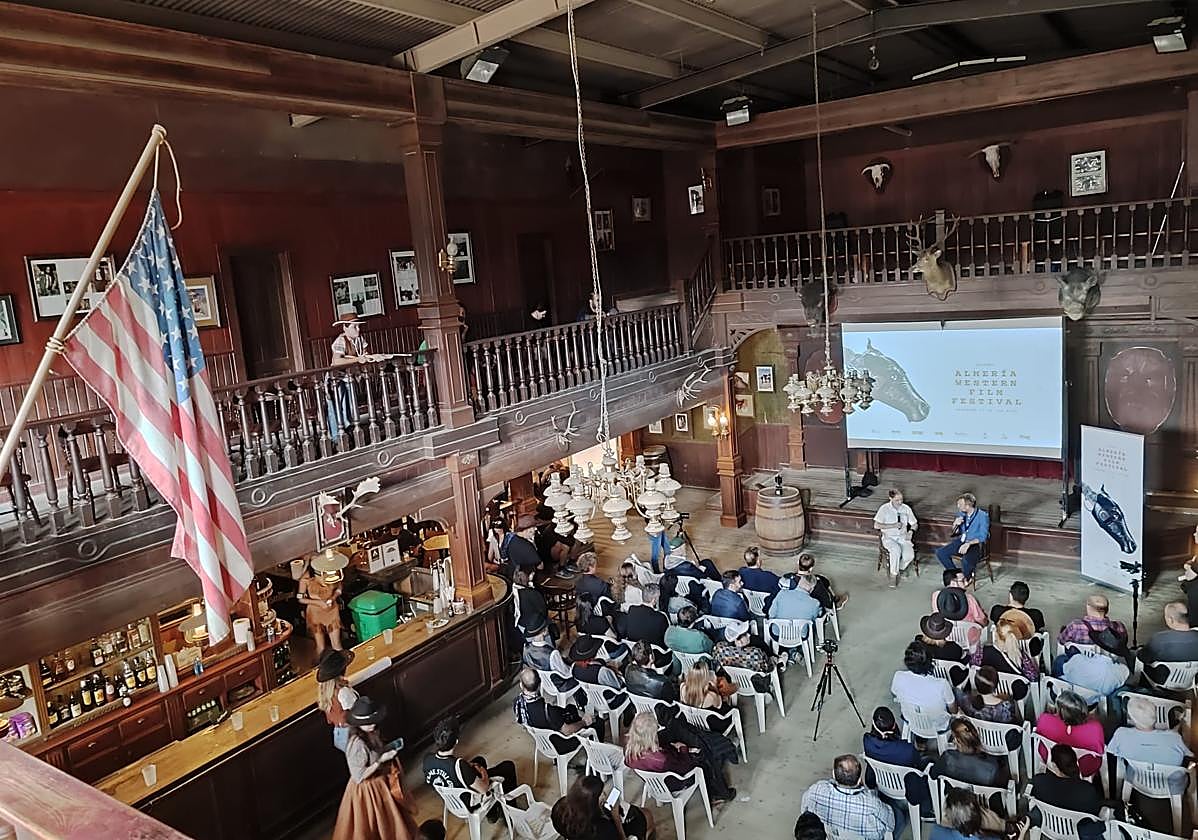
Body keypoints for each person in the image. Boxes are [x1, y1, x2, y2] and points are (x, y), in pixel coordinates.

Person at [332, 697, 417, 840]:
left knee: (389, 822)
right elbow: (359, 776)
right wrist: (380, 761)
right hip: (367, 790)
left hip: (379, 783)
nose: (372, 724)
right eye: (368, 723)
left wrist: (387, 750)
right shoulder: (357, 744)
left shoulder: (371, 733)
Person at [624, 710, 736, 804]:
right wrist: (683, 749)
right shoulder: (662, 759)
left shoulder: (629, 751)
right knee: (705, 757)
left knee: (673, 728)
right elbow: (685, 766)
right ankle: (720, 793)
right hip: (676, 781)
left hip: (655, 780)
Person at [422, 716, 518, 818]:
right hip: (468, 803)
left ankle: (492, 814)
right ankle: (511, 812)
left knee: (479, 760)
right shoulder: (459, 765)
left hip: (452, 801)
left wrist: (470, 767)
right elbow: (484, 788)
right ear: (456, 741)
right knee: (508, 766)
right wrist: (483, 771)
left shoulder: (427, 759)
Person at [1107, 695, 1193, 794]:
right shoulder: (1174, 737)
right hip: (1172, 784)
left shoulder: (1121, 734)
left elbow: (1111, 750)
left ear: (1132, 719)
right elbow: (1189, 755)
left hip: (1138, 779)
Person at [800, 754, 896, 840]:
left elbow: (804, 812)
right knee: (898, 812)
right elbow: (890, 824)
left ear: (833, 774)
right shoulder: (872, 804)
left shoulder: (816, 791)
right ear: (859, 780)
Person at [862, 706, 933, 817]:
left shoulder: (867, 741)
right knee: (930, 760)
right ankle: (925, 810)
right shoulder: (906, 749)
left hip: (883, 786)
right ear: (894, 726)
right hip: (906, 791)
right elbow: (918, 765)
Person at [1029, 744, 1106, 840]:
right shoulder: (1087, 789)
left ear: (1054, 765)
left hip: (1050, 829)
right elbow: (1095, 813)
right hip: (1079, 834)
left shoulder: (1039, 781)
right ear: (1076, 761)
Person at [512, 668, 604, 745]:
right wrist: (584, 722)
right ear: (539, 685)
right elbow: (567, 731)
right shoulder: (548, 711)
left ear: (521, 685)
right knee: (598, 722)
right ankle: (596, 752)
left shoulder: (517, 703)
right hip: (559, 744)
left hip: (543, 742)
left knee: (570, 708)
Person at [551, 773, 655, 840]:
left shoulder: (559, 808)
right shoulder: (602, 828)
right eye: (601, 794)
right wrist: (616, 818)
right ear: (592, 803)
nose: (605, 795)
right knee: (646, 815)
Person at [1035, 691, 1105, 779]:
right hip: (1084, 768)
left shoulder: (1045, 719)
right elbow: (1100, 751)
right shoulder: (1095, 728)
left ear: (1060, 710)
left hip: (1051, 760)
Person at [891, 640, 956, 732]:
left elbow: (895, 693)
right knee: (956, 693)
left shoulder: (898, 676)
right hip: (940, 726)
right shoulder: (942, 684)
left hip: (912, 722)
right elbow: (953, 710)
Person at [930, 718, 1009, 788]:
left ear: (956, 740)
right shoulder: (993, 767)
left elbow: (932, 775)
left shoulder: (947, 758)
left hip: (954, 796)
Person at [1138, 602, 1198, 685]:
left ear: (1171, 620)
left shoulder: (1159, 640)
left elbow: (1143, 658)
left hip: (1162, 682)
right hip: (1191, 683)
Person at [935, 493, 990, 583]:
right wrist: (955, 524)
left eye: (960, 504)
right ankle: (956, 574)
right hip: (962, 540)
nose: (958, 506)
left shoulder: (982, 516)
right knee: (941, 553)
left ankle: (966, 578)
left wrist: (968, 544)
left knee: (966, 561)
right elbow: (956, 532)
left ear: (968, 506)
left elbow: (983, 537)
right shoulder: (961, 514)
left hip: (976, 544)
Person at [298, 560, 343, 658]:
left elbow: (339, 588)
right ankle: (317, 665)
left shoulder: (332, 573)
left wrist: (333, 598)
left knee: (337, 645)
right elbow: (300, 598)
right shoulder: (306, 578)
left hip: (331, 610)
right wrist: (318, 603)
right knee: (321, 647)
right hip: (315, 613)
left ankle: (343, 663)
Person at [976, 610, 1039, 681]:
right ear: (1015, 638)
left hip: (988, 687)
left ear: (996, 634)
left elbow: (972, 668)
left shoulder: (981, 652)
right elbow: (1034, 678)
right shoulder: (1022, 659)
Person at [712, 620, 777, 689]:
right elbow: (769, 662)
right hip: (758, 684)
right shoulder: (756, 652)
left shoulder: (723, 653)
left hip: (739, 685)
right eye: (745, 634)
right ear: (737, 641)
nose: (748, 635)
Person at [874, 489, 918, 588]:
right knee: (896, 550)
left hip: (903, 536)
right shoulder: (884, 509)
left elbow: (914, 524)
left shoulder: (906, 508)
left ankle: (899, 569)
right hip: (889, 537)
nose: (900, 502)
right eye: (897, 500)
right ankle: (893, 575)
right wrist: (893, 525)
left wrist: (911, 531)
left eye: (901, 499)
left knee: (909, 556)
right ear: (890, 498)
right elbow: (876, 525)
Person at [316, 649, 359, 752]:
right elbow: (358, 714)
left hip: (339, 735)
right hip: (353, 736)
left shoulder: (325, 694)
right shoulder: (343, 692)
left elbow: (330, 719)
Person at [955, 666, 1022, 724]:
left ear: (976, 683)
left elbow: (957, 691)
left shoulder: (966, 701)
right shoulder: (1006, 708)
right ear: (996, 685)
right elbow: (1018, 722)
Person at [1058, 594, 1127, 647]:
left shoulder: (1075, 625)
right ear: (1107, 610)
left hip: (1080, 659)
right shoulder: (1119, 626)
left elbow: (1061, 641)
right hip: (1108, 660)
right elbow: (1123, 645)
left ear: (1088, 607)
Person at [1058, 648, 1130, 697]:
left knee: (1060, 660)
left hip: (1071, 697)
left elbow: (1065, 669)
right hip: (1094, 701)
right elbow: (1127, 674)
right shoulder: (1119, 671)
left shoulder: (1077, 659)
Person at [512, 569, 550, 640]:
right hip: (536, 627)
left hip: (521, 627)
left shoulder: (512, 592)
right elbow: (544, 611)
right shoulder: (533, 593)